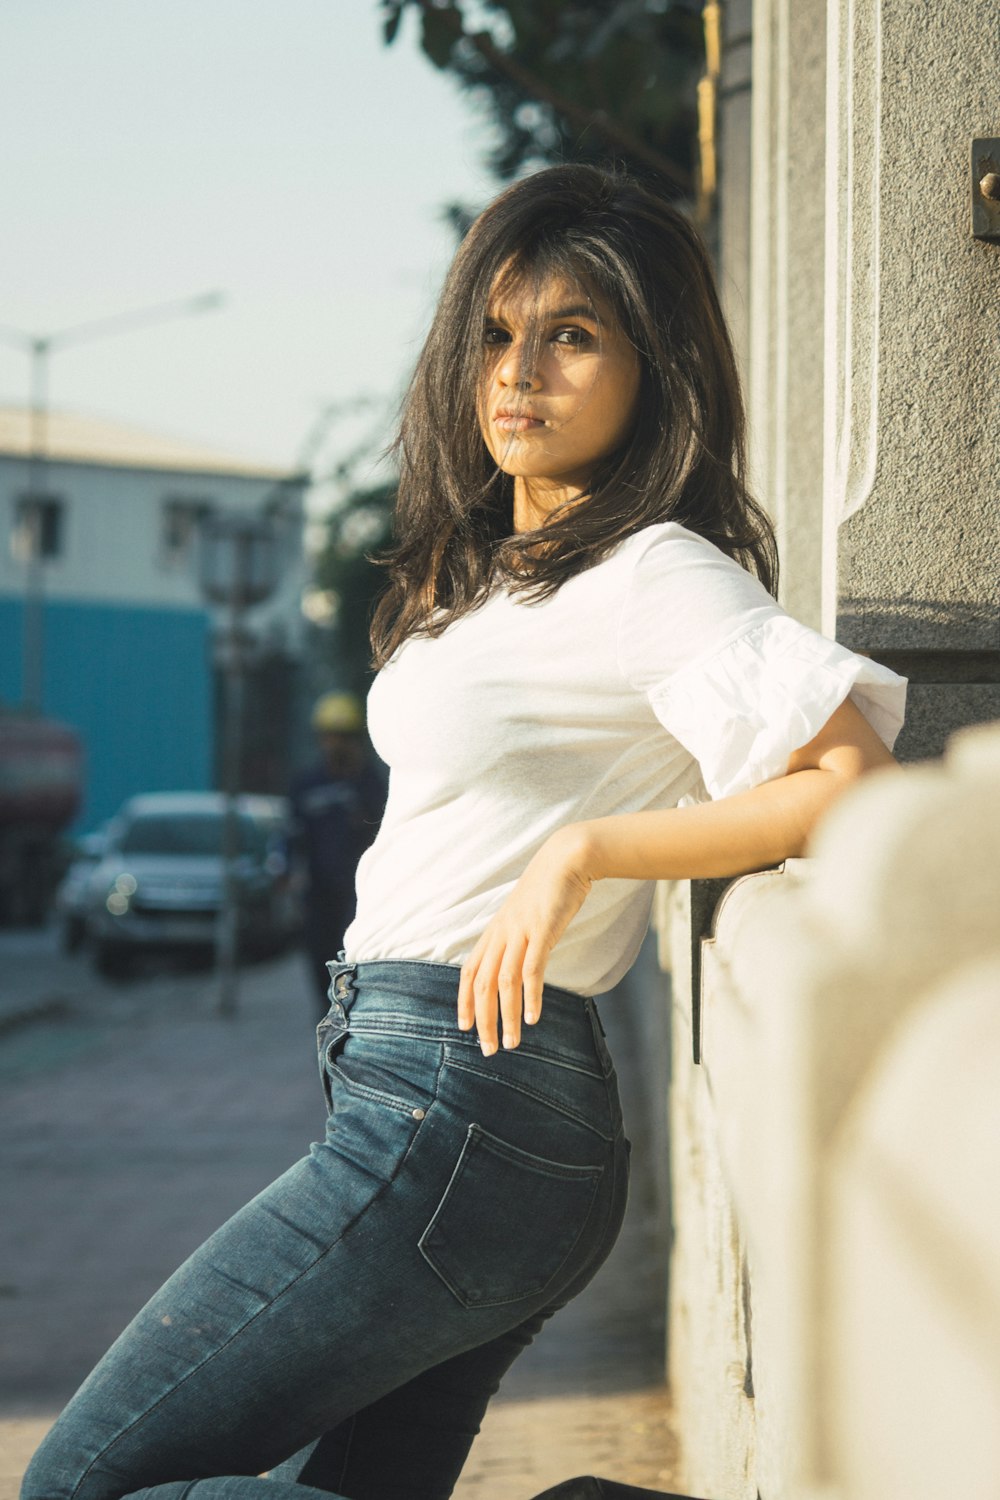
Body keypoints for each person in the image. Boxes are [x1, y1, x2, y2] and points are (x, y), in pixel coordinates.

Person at [22, 164, 905, 1500]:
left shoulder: (655, 573)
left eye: (573, 334)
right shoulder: (501, 577)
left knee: (74, 1484)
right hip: (438, 1098)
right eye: (498, 333)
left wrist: (589, 853)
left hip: (464, 1100)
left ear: (649, 365)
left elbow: (850, 777)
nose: (519, 372)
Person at [290, 692, 386, 1015]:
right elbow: (292, 837)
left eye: (343, 737)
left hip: (360, 899)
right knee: (320, 968)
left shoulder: (372, 785)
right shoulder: (306, 785)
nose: (335, 745)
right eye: (329, 737)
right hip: (318, 898)